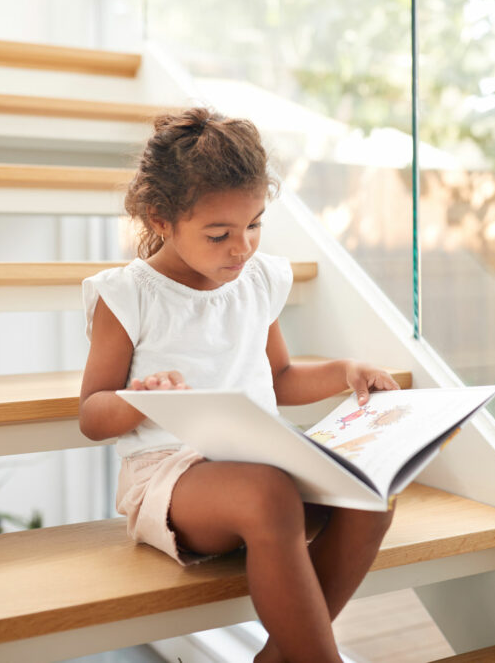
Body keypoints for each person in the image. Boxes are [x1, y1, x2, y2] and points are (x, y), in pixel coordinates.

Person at [79, 107, 400, 663]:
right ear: (160, 219)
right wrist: (140, 400)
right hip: (170, 475)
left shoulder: (256, 280)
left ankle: (281, 656)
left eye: (254, 225)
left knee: (374, 491)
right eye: (219, 233)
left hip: (260, 458)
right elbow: (91, 414)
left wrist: (344, 371)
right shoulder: (129, 295)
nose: (241, 247)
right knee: (270, 493)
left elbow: (279, 378)